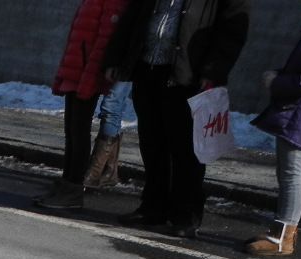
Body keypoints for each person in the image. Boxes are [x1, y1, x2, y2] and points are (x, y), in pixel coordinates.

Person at [106, 0, 250, 239]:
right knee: (152, 143)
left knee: (185, 148)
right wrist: (116, 57)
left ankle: (186, 214)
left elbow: (232, 29)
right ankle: (153, 207)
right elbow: (133, 15)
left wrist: (213, 70)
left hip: (188, 75)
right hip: (148, 67)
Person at [244, 1, 301, 257]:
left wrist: (277, 81)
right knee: (287, 175)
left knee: (292, 176)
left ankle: (283, 239)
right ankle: (280, 232)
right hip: (299, 113)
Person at [36, 0, 130, 211]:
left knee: (79, 131)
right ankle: (65, 183)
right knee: (71, 129)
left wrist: (88, 80)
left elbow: (104, 40)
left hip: (86, 73)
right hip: (76, 69)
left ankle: (73, 188)